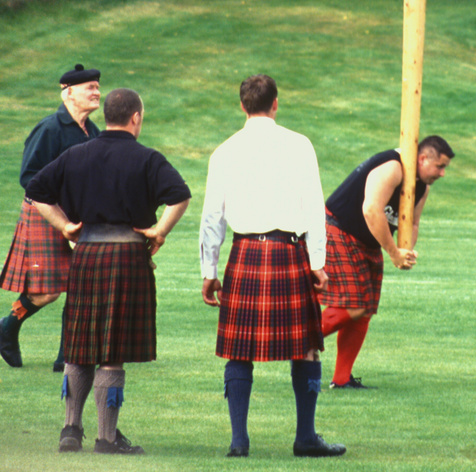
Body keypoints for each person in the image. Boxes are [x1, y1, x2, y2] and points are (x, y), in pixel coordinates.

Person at [25, 87, 191, 455]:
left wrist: (65, 226)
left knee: (79, 345)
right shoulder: (148, 158)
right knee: (111, 348)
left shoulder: (76, 154)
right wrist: (160, 231)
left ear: (110, 115)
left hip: (86, 256)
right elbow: (180, 195)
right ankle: (107, 438)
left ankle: (70, 429)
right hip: (127, 258)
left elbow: (35, 189)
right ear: (135, 117)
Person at [199, 74, 345, 459]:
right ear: (275, 103)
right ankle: (306, 437)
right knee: (307, 349)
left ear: (242, 105)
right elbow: (315, 207)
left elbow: (212, 216)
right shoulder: (298, 145)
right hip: (289, 251)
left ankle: (238, 441)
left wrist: (209, 271)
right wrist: (318, 262)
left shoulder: (225, 151)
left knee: (238, 349)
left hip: (245, 254)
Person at [319, 135, 454, 389]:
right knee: (354, 304)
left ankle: (342, 379)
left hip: (368, 241)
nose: (443, 173)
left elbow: (412, 223)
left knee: (365, 310)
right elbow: (371, 209)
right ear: (423, 159)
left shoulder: (422, 187)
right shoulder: (393, 167)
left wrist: (405, 251)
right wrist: (392, 253)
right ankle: (299, 341)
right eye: (440, 166)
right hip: (338, 229)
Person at [0, 63, 101, 371]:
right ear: (68, 92)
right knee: (47, 291)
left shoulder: (94, 132)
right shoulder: (50, 129)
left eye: (98, 87)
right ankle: (8, 326)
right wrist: (61, 203)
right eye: (90, 88)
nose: (97, 93)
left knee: (80, 284)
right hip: (45, 214)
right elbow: (29, 177)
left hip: (79, 216)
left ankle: (66, 354)